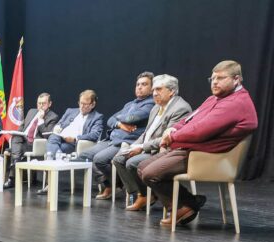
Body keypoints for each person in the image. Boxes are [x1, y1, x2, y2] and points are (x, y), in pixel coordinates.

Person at [137, 60, 258, 226]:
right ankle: (186, 204)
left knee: (151, 174)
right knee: (142, 167)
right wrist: (172, 129)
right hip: (194, 148)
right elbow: (191, 118)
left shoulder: (235, 103)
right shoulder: (214, 99)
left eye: (221, 78)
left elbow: (201, 130)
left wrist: (173, 137)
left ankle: (186, 205)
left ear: (236, 79)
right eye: (213, 78)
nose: (215, 82)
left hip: (208, 155)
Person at [111, 74, 192, 211]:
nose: (154, 93)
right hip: (147, 147)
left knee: (132, 163)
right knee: (118, 159)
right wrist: (133, 145)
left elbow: (167, 138)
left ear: (171, 91)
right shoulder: (156, 107)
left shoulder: (180, 108)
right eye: (154, 90)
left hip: (163, 151)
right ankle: (140, 194)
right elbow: (146, 133)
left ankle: (146, 195)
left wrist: (142, 147)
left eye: (159, 89)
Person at [77, 72, 155, 199]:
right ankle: (111, 184)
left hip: (126, 142)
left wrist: (120, 119)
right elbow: (110, 120)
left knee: (99, 159)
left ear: (151, 88)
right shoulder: (130, 104)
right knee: (85, 155)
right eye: (138, 84)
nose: (139, 87)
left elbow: (132, 118)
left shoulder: (151, 104)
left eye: (144, 84)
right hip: (111, 139)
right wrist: (120, 124)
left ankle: (115, 184)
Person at [43, 90, 104, 193]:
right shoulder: (70, 111)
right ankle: (56, 165)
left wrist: (76, 138)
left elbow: (95, 135)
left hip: (74, 143)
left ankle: (51, 182)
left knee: (52, 152)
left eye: (85, 104)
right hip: (60, 138)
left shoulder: (97, 117)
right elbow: (60, 124)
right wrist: (58, 128)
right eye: (80, 103)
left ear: (93, 104)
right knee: (53, 137)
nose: (82, 106)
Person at [3, 93, 59, 189]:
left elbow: (47, 134)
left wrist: (41, 120)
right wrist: (18, 132)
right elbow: (23, 126)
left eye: (43, 103)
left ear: (49, 104)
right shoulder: (32, 111)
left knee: (15, 150)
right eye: (39, 103)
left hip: (36, 144)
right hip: (23, 140)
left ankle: (12, 175)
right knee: (16, 136)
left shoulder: (53, 117)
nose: (40, 106)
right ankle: (16, 161)